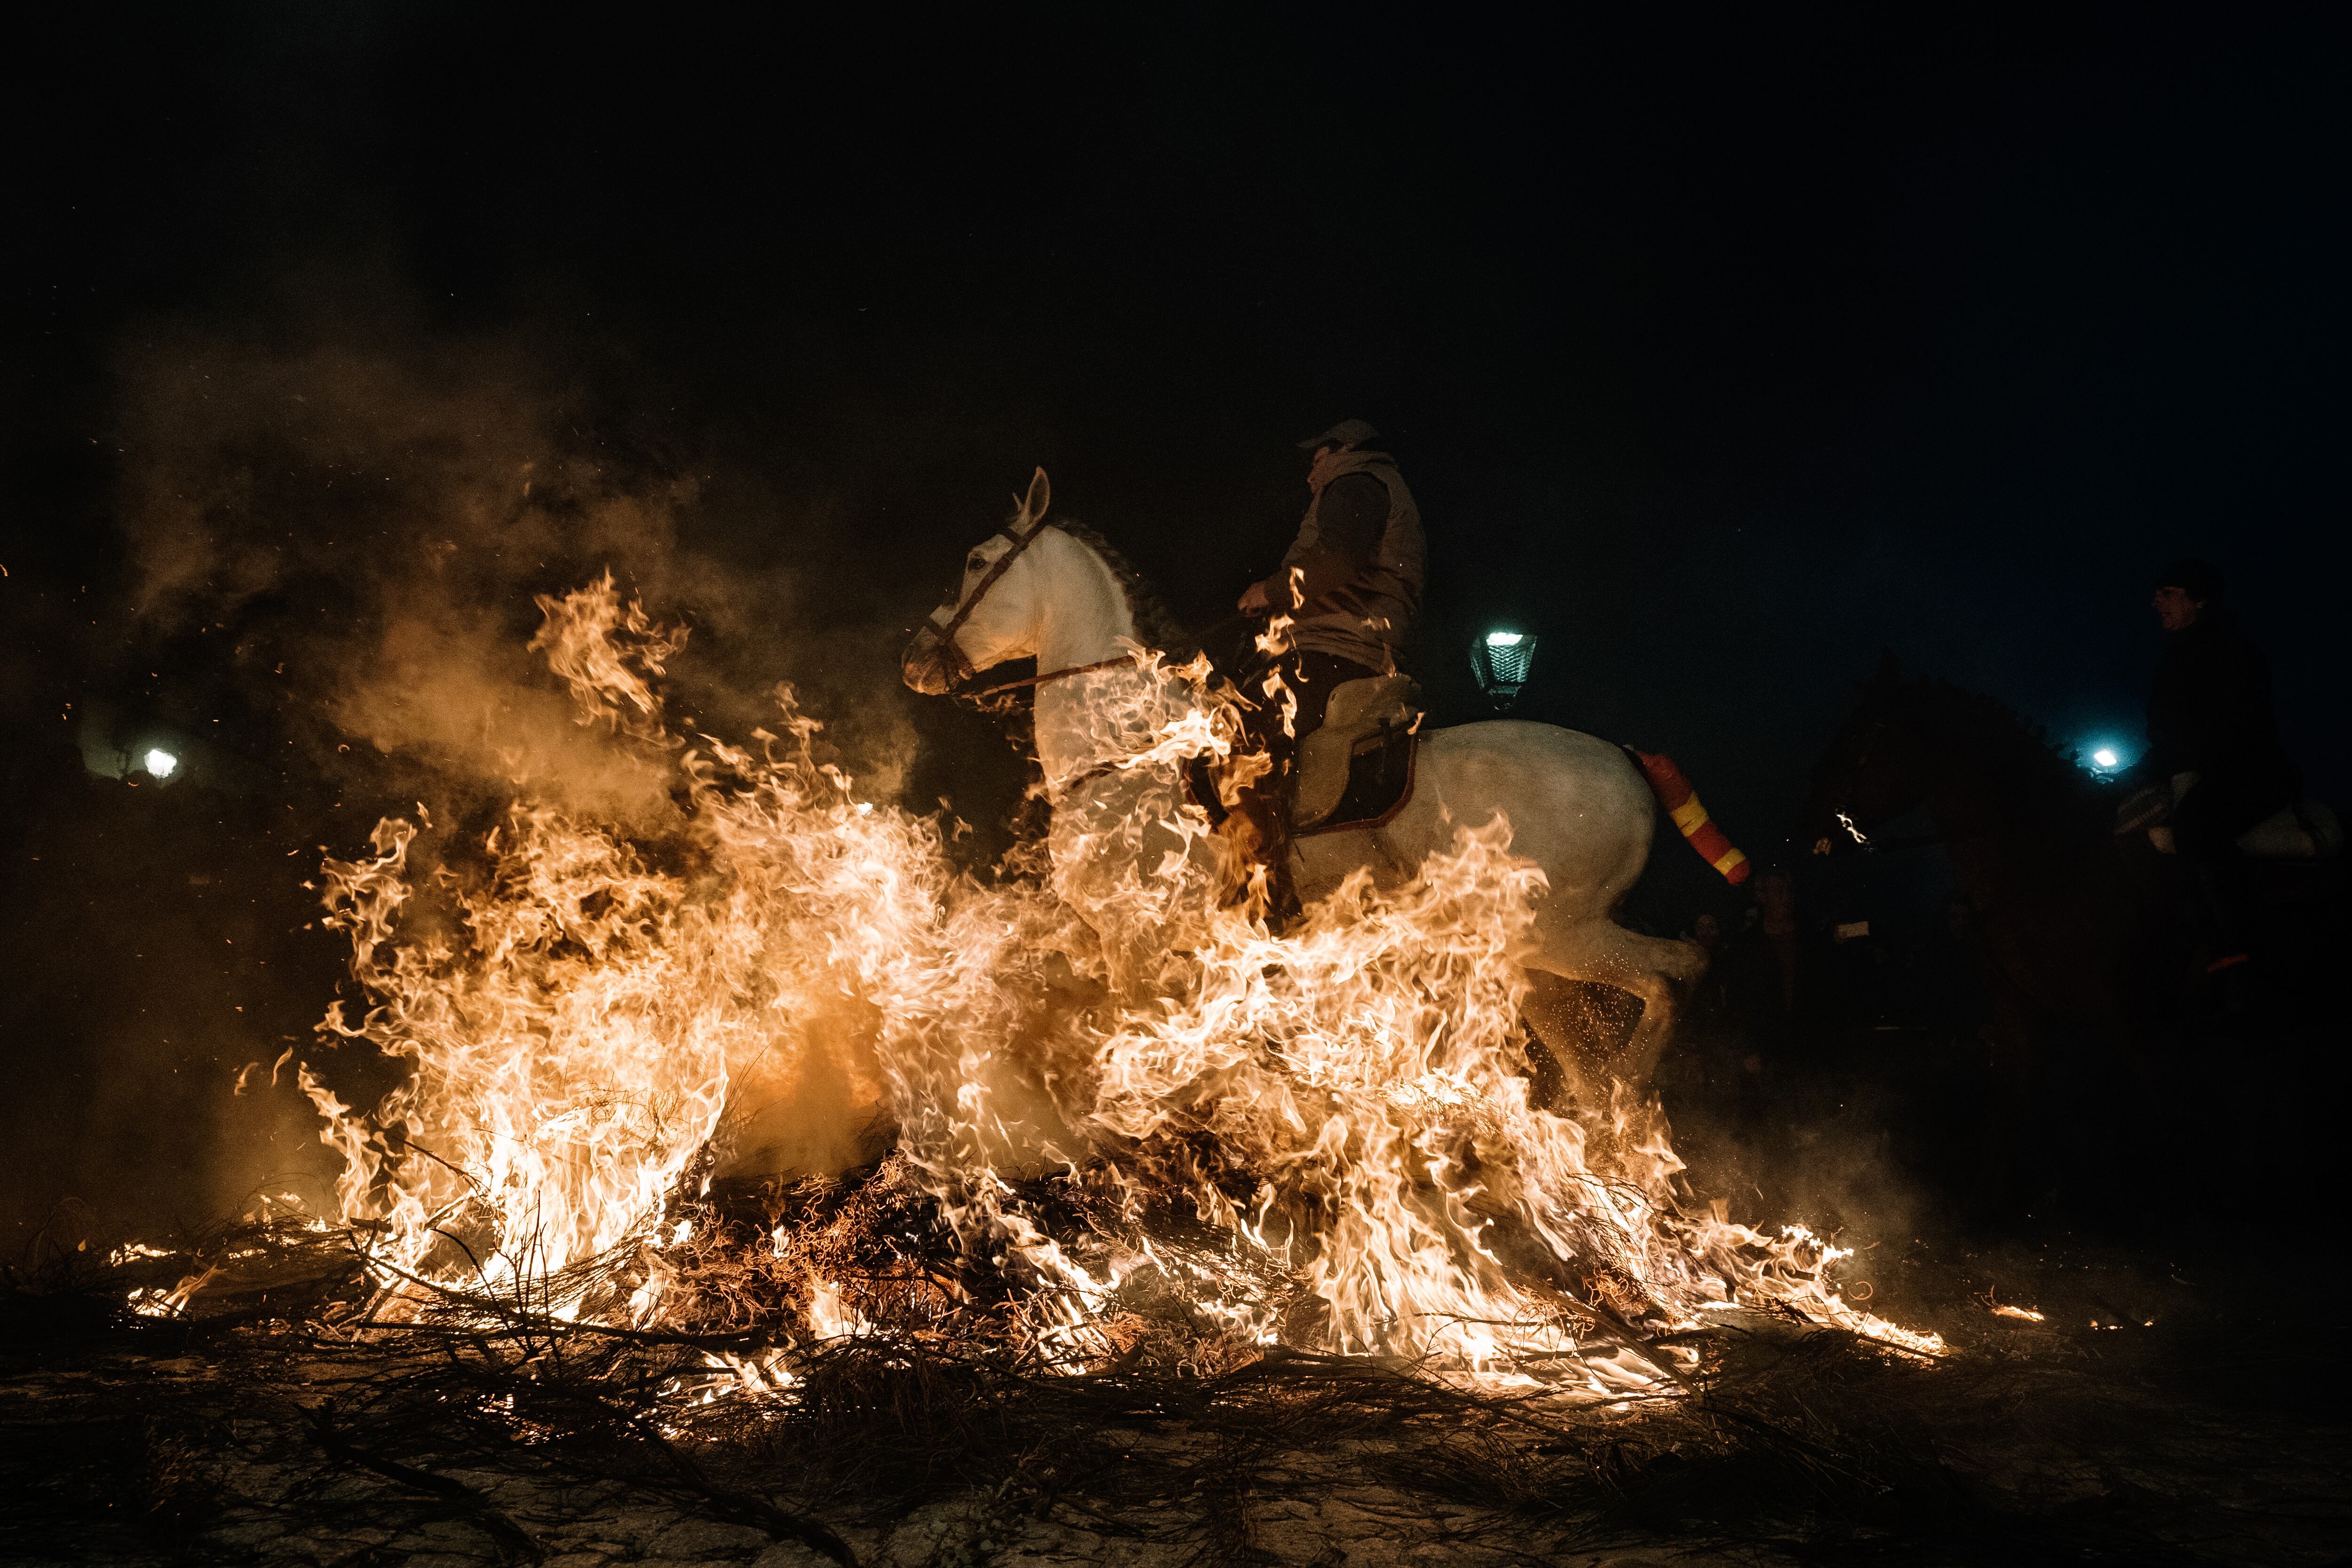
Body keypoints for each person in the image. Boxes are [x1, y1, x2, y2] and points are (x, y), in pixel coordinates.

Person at [1232, 419, 1425, 915]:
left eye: (1315, 459)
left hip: (1341, 646)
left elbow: (1337, 561)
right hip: (1343, 642)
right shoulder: (1366, 486)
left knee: (1244, 736)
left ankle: (1267, 883)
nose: (1310, 474)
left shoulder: (1355, 483)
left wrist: (1269, 591)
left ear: (1342, 450)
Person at [2135, 558, 2299, 984]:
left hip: (2252, 771)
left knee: (2196, 825)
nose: (2156, 602)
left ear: (2200, 600)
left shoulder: (2232, 650)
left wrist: (2183, 765)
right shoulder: (2175, 658)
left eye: (2168, 593)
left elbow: (2235, 727)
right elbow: (2164, 736)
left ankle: (2240, 957)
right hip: (2194, 769)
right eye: (2157, 595)